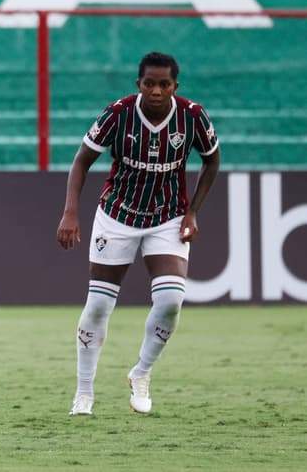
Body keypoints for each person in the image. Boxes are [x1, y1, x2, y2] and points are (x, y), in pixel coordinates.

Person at [56, 52, 220, 415]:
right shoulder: (119, 113)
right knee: (99, 305)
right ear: (139, 85)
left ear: (175, 86)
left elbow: (212, 159)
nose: (157, 91)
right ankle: (84, 392)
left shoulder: (193, 116)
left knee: (170, 302)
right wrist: (71, 212)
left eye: (164, 84)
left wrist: (192, 211)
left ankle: (141, 373)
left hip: (167, 218)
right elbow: (82, 159)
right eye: (150, 84)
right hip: (117, 216)